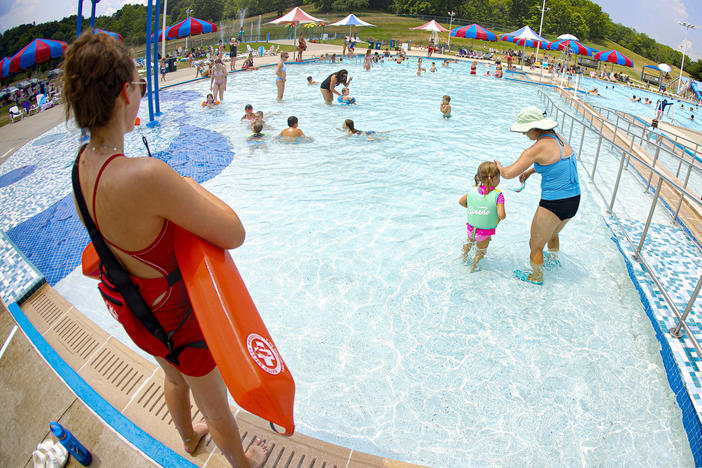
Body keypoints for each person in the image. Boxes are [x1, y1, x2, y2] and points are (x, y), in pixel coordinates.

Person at [63, 31, 268, 468]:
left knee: (172, 379)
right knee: (216, 409)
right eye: (138, 85)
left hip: (134, 307)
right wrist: (192, 187)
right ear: (125, 94)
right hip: (176, 318)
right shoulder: (145, 176)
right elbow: (234, 232)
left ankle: (187, 439)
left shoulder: (82, 164)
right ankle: (243, 464)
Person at [495, 106, 580, 285]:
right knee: (552, 234)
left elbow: (509, 174)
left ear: (534, 128)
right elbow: (555, 162)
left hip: (554, 203)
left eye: (525, 130)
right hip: (573, 200)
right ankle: (553, 262)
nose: (524, 134)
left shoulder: (536, 148)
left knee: (535, 245)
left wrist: (499, 167)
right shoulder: (560, 139)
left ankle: (536, 277)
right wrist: (531, 172)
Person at [458, 161, 506, 272]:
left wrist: (475, 209)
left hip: (471, 228)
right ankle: (474, 267)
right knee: (481, 251)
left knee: (469, 242)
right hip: (484, 232)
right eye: (499, 177)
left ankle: (463, 256)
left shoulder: (473, 191)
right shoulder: (498, 196)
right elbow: (501, 215)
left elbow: (461, 202)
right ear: (494, 179)